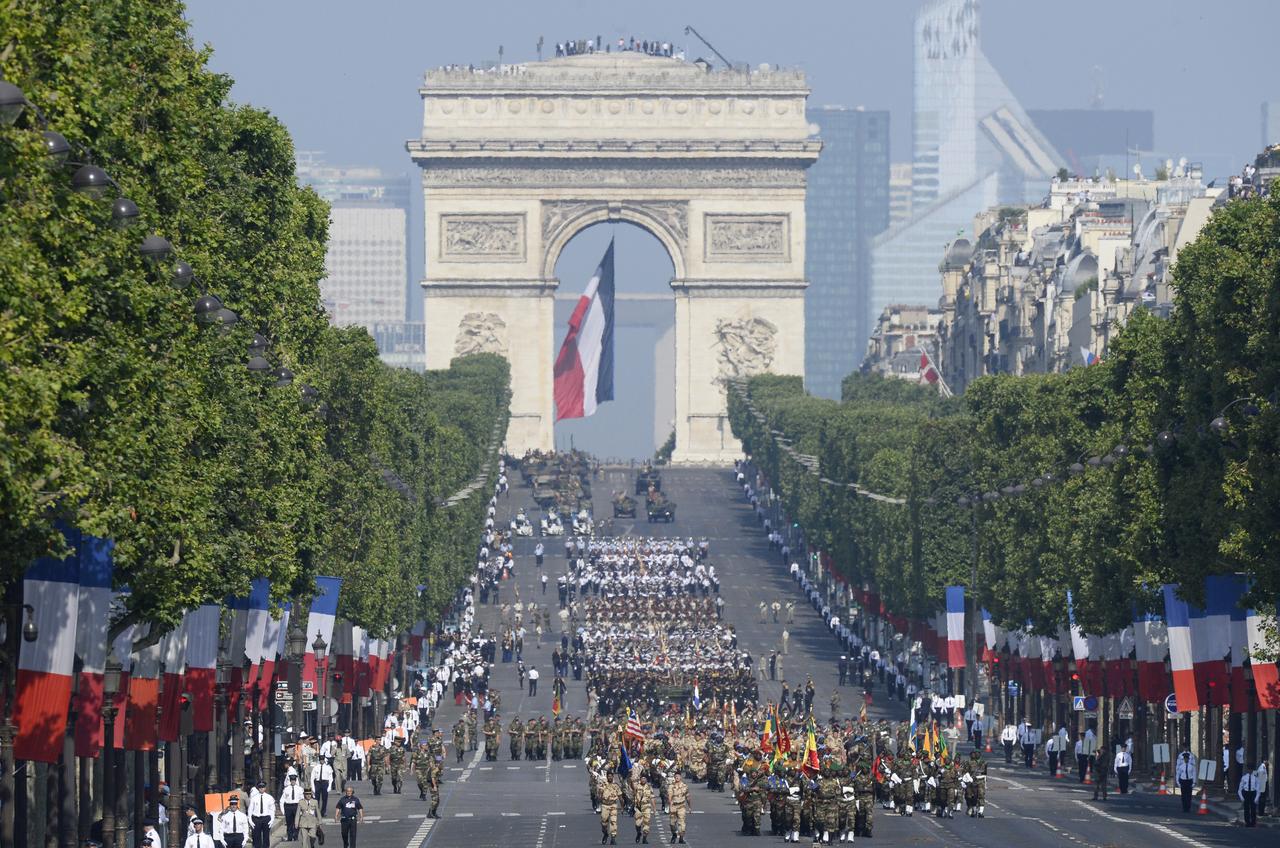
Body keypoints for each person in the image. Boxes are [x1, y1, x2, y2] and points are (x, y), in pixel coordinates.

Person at [248, 781, 275, 848]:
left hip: (266, 818)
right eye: (260, 787)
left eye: (263, 787)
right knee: (256, 837)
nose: (261, 788)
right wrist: (250, 820)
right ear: (258, 788)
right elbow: (250, 809)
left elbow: (272, 810)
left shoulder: (269, 797)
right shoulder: (254, 798)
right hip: (256, 819)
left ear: (265, 788)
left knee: (266, 836)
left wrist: (272, 819)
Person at [281, 773, 305, 841]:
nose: (293, 782)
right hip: (288, 807)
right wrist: (283, 811)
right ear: (290, 781)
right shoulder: (286, 789)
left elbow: (302, 799)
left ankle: (295, 836)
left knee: (296, 822)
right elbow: (282, 800)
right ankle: (289, 837)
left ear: (295, 780)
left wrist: (302, 809)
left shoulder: (300, 789)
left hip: (296, 806)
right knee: (289, 823)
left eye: (294, 780)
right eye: (292, 780)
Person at [1175, 748, 1197, 813]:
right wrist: (1178, 782)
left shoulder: (1191, 766)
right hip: (1183, 781)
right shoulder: (1181, 766)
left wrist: (1194, 782)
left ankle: (1188, 808)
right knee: (1183, 795)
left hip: (1189, 781)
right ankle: (1184, 808)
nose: (1186, 759)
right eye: (1185, 758)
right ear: (1184, 759)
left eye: (1187, 758)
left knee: (1189, 795)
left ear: (1188, 759)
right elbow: (1178, 774)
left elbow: (1194, 774)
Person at [1239, 761, 1260, 827]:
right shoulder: (1244, 777)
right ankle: (1247, 822)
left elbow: (1258, 788)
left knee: (1253, 809)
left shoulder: (1256, 778)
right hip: (1246, 793)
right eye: (1249, 769)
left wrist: (1257, 797)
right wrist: (1241, 797)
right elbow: (1239, 789)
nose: (1250, 771)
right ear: (1247, 770)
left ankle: (1253, 822)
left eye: (1251, 769)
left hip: (1253, 793)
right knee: (1246, 808)